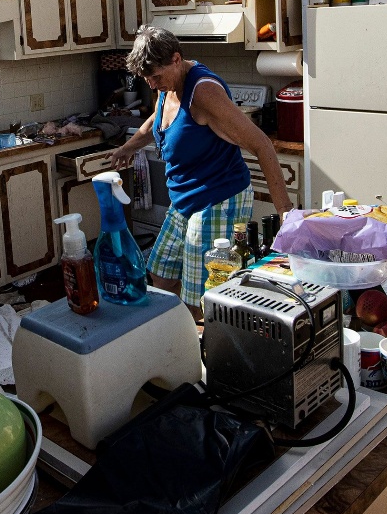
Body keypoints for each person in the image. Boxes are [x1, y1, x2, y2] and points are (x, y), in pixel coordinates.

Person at [110, 26, 294, 315]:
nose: (153, 85)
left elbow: (262, 145)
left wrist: (286, 212)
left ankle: (204, 353)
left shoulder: (203, 92)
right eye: (147, 80)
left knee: (200, 298)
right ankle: (179, 341)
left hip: (218, 198)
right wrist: (128, 148)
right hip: (184, 200)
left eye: (156, 77)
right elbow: (155, 120)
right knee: (160, 277)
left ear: (176, 59)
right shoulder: (167, 86)